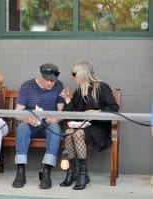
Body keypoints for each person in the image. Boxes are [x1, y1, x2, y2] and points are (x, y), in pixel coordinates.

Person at [59, 61, 119, 190]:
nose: (72, 76)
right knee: (69, 133)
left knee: (77, 133)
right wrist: (67, 99)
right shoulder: (78, 91)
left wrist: (97, 112)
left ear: (83, 73)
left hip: (99, 127)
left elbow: (114, 107)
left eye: (74, 74)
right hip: (83, 126)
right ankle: (72, 172)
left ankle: (83, 174)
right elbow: (70, 113)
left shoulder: (101, 87)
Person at [12, 63, 64, 189]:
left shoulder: (59, 86)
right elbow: (17, 113)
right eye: (48, 80)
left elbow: (61, 112)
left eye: (53, 80)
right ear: (39, 75)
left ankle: (47, 171)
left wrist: (56, 119)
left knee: (56, 129)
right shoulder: (27, 86)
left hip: (49, 124)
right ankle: (20, 171)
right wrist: (27, 119)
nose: (51, 83)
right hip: (32, 124)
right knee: (21, 128)